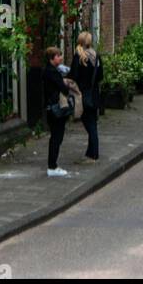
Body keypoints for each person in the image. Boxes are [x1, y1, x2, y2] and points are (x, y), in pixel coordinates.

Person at [67, 30, 103, 161]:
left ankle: (94, 153)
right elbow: (101, 76)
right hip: (94, 94)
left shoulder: (79, 57)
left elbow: (74, 75)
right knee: (92, 122)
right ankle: (90, 152)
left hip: (82, 95)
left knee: (89, 125)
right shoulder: (96, 56)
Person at [43, 45, 72, 176]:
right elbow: (63, 89)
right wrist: (65, 84)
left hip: (49, 108)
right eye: (58, 56)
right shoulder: (53, 72)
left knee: (55, 137)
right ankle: (52, 167)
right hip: (55, 108)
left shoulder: (47, 71)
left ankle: (52, 165)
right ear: (52, 58)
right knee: (57, 137)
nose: (60, 58)